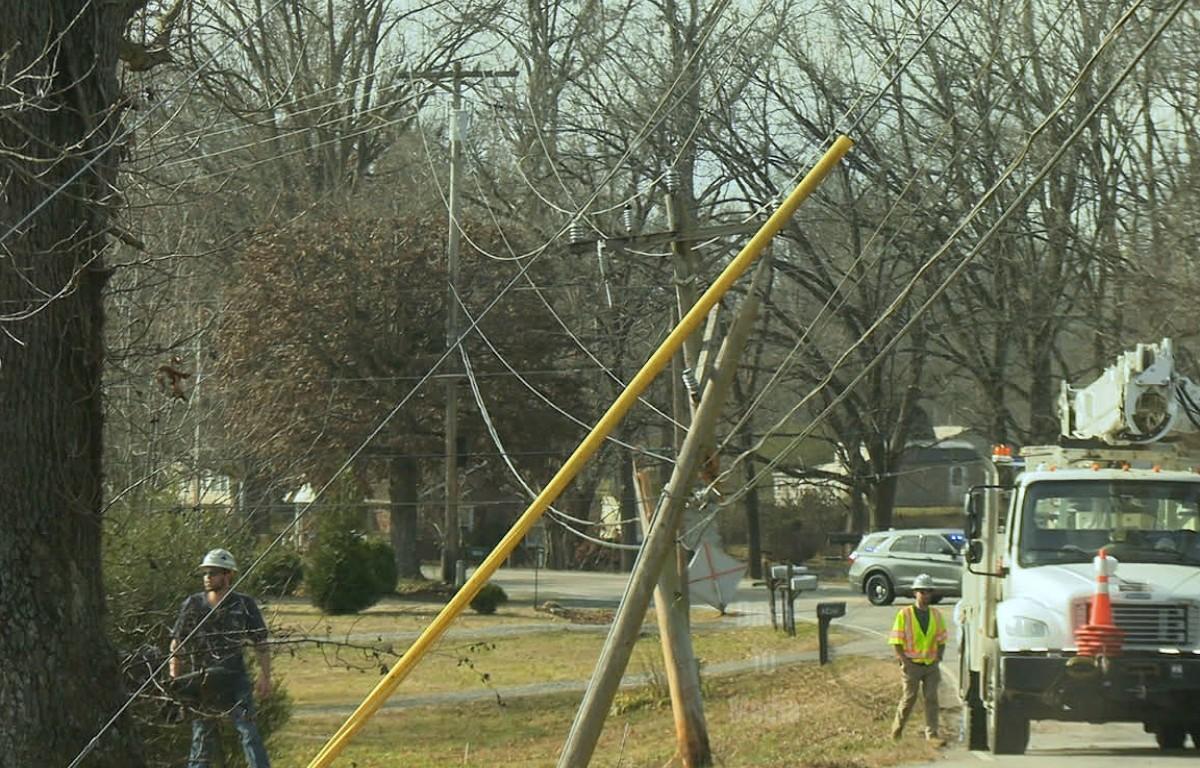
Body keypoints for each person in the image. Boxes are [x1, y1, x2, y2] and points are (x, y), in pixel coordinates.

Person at [170, 548, 272, 768]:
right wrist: (176, 682)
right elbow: (177, 643)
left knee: (248, 732)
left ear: (228, 575)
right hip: (203, 682)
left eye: (213, 572)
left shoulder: (244, 604)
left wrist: (265, 676)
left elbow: (261, 642)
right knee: (201, 738)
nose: (207, 578)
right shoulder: (193, 604)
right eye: (205, 573)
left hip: (236, 679)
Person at [888, 573, 947, 747]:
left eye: (928, 591)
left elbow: (941, 639)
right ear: (915, 593)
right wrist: (905, 662)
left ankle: (932, 734)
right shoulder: (904, 614)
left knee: (931, 698)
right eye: (921, 591)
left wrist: (938, 658)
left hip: (930, 665)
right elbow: (896, 641)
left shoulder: (936, 615)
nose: (925, 595)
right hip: (911, 665)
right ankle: (896, 731)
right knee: (909, 699)